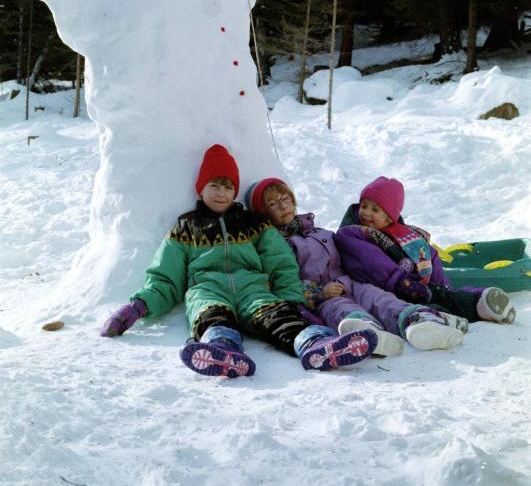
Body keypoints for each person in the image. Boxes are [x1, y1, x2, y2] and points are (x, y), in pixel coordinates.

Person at [100, 144, 379, 377]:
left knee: (279, 317)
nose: (221, 193)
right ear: (201, 188)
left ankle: (317, 344)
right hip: (207, 289)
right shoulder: (186, 227)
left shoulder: (253, 224)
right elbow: (166, 276)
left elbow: (280, 263)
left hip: (253, 288)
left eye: (228, 186)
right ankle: (222, 350)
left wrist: (293, 301)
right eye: (215, 185)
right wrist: (138, 306)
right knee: (211, 317)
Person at [246, 178, 469, 353]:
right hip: (325, 296)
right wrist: (318, 293)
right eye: (273, 204)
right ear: (263, 213)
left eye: (286, 199)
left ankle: (418, 321)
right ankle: (368, 331)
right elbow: (284, 283)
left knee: (379, 298)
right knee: (340, 309)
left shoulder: (320, 232)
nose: (283, 206)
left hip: (351, 282)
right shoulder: (276, 246)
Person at [336, 176, 516, 324]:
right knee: (425, 302)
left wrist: (441, 285)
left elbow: (430, 255)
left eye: (375, 209)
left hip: (412, 285)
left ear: (390, 217)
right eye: (364, 206)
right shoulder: (352, 232)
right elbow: (372, 262)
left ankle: (481, 302)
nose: (366, 213)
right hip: (385, 286)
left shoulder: (404, 234)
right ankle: (439, 317)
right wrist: (401, 281)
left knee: (443, 296)